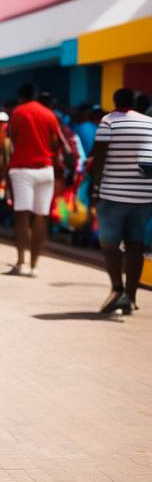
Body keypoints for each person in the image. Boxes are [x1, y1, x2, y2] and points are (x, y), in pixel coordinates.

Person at [89, 88, 152, 315]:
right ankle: (131, 298)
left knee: (110, 245)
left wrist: (94, 187)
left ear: (115, 101)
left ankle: (117, 288)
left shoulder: (109, 121)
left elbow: (100, 157)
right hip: (144, 196)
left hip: (112, 194)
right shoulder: (149, 122)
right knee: (135, 246)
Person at [7, 82, 67, 277]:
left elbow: (12, 137)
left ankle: (21, 262)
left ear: (21, 96)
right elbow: (56, 142)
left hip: (23, 168)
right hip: (46, 169)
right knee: (41, 215)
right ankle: (34, 266)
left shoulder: (19, 111)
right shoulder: (50, 114)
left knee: (21, 216)